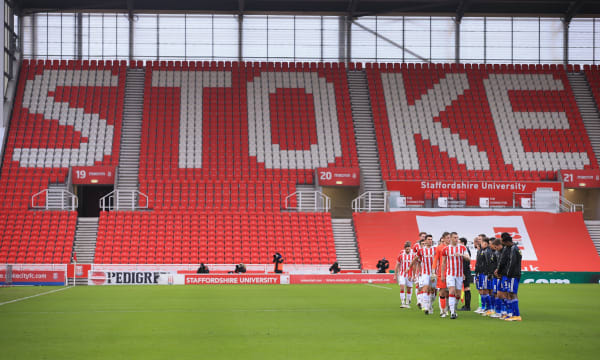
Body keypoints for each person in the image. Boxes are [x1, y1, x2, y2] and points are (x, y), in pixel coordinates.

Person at [441, 232, 471, 319]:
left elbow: (468, 258)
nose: (456, 239)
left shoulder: (462, 247)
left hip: (459, 274)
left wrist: (461, 255)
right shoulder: (446, 249)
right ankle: (453, 313)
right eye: (454, 237)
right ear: (450, 238)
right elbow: (443, 263)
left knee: (458, 294)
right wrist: (443, 275)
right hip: (450, 274)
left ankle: (453, 308)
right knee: (451, 291)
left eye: (457, 237)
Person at [412, 234, 436, 314]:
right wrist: (409, 267)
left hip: (434, 273)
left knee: (433, 290)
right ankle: (425, 307)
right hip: (425, 273)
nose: (430, 240)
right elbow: (415, 259)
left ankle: (430, 305)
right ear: (425, 241)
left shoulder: (435, 249)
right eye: (428, 239)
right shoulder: (421, 250)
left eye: (431, 239)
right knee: (425, 288)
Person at [503, 234, 522, 321]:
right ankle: (513, 314)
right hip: (514, 274)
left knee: (512, 293)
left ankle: (516, 315)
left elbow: (512, 263)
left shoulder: (513, 249)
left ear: (507, 242)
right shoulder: (514, 248)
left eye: (504, 243)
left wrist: (508, 274)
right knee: (511, 293)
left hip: (513, 275)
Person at [433, 232, 450, 317]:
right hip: (442, 273)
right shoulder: (439, 248)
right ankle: (442, 311)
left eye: (449, 237)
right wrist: (433, 271)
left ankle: (447, 309)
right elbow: (436, 260)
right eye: (447, 237)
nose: (449, 239)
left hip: (451, 273)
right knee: (442, 292)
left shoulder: (452, 248)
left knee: (450, 293)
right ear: (443, 238)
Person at [395, 242, 416, 308]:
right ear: (404, 249)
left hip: (410, 274)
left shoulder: (413, 256)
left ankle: (407, 302)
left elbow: (414, 266)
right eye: (407, 249)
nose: (408, 250)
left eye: (409, 249)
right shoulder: (401, 256)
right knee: (402, 287)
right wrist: (395, 274)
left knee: (409, 289)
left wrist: (414, 275)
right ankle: (403, 302)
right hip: (402, 274)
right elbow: (397, 265)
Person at [474, 236, 491, 314]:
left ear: (486, 243)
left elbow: (488, 263)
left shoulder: (487, 251)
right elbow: (478, 263)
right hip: (480, 274)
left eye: (482, 242)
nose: (481, 244)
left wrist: (487, 273)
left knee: (485, 291)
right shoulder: (481, 251)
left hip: (484, 274)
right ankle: (483, 307)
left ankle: (488, 308)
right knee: (481, 291)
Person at [458, 237, 472, 311]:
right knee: (465, 288)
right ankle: (466, 306)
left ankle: (467, 306)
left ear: (463, 243)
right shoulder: (463, 250)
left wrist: (463, 273)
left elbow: (465, 263)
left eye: (459, 242)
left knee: (466, 288)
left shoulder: (465, 250)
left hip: (465, 272)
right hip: (464, 271)